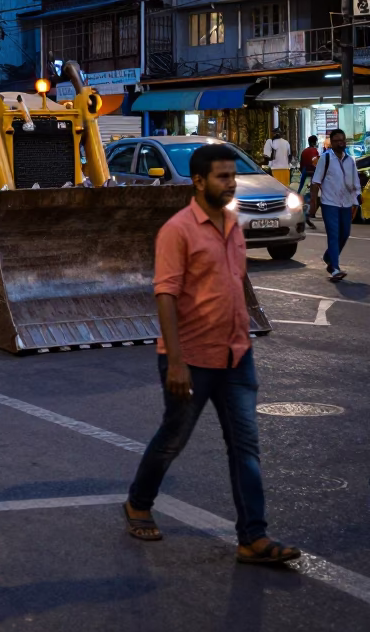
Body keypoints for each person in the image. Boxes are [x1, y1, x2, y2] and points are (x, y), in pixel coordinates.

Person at [123, 143, 301, 565]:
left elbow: (236, 281)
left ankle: (252, 538)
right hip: (191, 358)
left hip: (236, 354)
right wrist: (177, 360)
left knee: (245, 446)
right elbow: (165, 295)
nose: (230, 183)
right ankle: (138, 502)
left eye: (232, 175)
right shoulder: (178, 230)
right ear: (199, 182)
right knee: (173, 439)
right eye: (222, 176)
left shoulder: (233, 223)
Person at [309, 128, 359, 282]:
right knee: (334, 234)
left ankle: (328, 256)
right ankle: (335, 268)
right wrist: (312, 203)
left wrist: (355, 202)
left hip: (346, 203)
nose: (340, 143)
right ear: (331, 143)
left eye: (342, 140)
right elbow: (315, 182)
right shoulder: (326, 158)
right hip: (329, 203)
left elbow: (355, 183)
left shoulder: (350, 160)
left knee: (344, 234)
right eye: (337, 141)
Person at [298, 135, 320, 228]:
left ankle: (301, 213)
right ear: (315, 142)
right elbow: (316, 164)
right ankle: (307, 214)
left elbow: (301, 165)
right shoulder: (315, 151)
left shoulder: (304, 151)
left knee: (301, 194)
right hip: (312, 175)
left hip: (304, 174)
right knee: (311, 196)